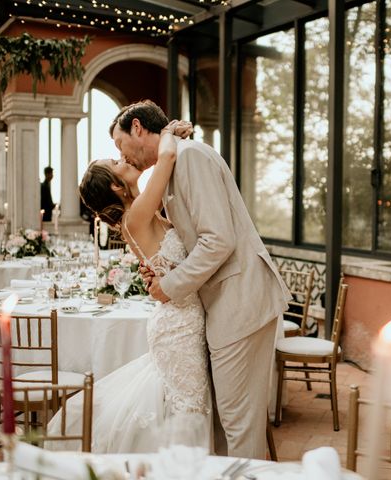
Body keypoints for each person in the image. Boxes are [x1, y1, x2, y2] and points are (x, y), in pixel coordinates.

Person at [109, 100, 291, 459]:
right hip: (223, 306)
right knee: (228, 423)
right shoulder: (177, 161)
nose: (123, 156)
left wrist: (169, 286)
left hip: (239, 303)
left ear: (136, 128)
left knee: (238, 426)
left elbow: (217, 239)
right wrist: (164, 270)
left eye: (119, 146)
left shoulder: (189, 157)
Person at [47, 123, 211, 453]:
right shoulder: (135, 215)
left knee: (186, 409)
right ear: (115, 186)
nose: (124, 158)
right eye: (117, 162)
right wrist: (167, 129)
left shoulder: (138, 212)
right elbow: (165, 156)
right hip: (179, 325)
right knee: (189, 411)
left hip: (180, 319)